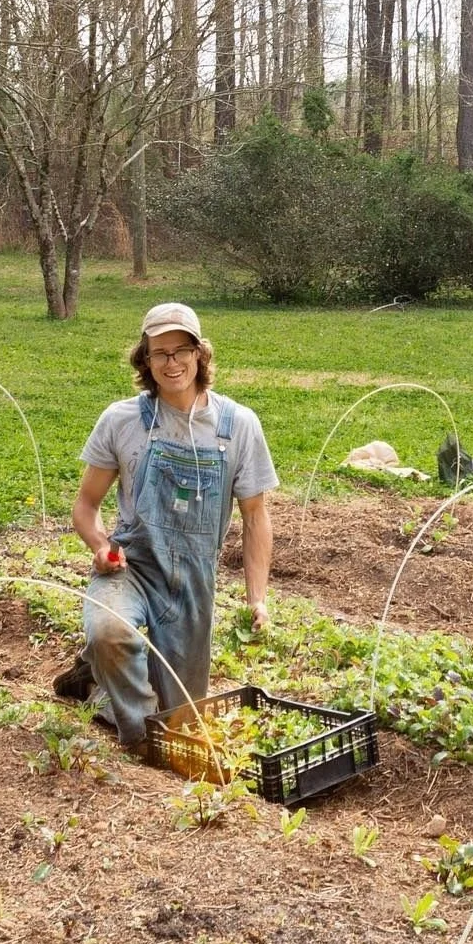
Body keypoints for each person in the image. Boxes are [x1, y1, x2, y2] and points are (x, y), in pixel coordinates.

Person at [54, 301, 277, 748]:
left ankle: (96, 681)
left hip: (194, 582)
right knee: (110, 633)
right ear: (146, 359)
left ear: (200, 354)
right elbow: (85, 504)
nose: (171, 363)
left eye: (181, 351)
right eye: (160, 353)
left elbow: (255, 517)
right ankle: (141, 742)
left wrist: (258, 600)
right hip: (131, 567)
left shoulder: (238, 426)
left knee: (182, 719)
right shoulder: (122, 420)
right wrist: (100, 545)